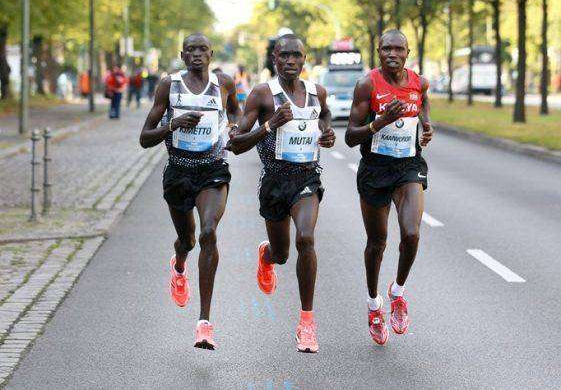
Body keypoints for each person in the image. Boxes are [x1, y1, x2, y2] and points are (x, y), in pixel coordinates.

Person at [228, 34, 335, 353]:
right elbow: (236, 144)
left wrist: (327, 132)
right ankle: (268, 256)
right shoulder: (263, 94)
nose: (290, 61)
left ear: (304, 59)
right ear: (274, 59)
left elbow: (325, 115)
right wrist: (269, 125)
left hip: (306, 179)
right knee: (283, 254)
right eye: (284, 55)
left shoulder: (317, 92)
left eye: (296, 55)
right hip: (274, 182)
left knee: (306, 239)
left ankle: (307, 323)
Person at [139, 33, 241, 350]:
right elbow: (144, 138)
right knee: (188, 240)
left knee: (208, 232)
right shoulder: (168, 86)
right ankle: (179, 264)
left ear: (211, 54)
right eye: (191, 50)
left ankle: (204, 323)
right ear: (183, 56)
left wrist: (234, 128)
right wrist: (174, 123)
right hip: (179, 172)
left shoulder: (224, 83)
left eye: (202, 49)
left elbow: (236, 112)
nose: (197, 54)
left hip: (213, 170)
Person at [345, 29, 433, 345]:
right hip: (375, 169)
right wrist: (379, 122)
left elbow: (423, 103)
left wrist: (426, 125)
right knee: (377, 243)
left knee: (411, 233)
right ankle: (373, 304)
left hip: (408, 166)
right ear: (378, 52)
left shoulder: (419, 83)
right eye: (386, 49)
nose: (392, 54)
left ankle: (397, 292)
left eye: (398, 49)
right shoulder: (367, 85)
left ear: (408, 52)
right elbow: (350, 136)